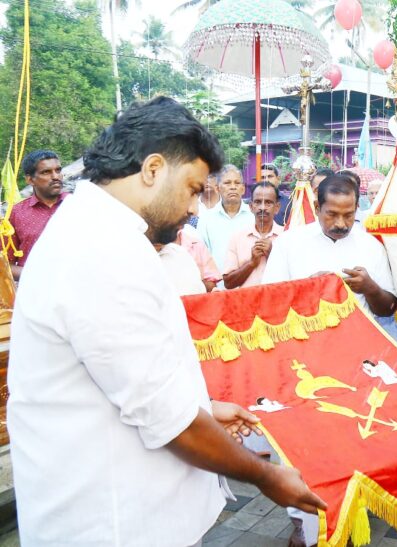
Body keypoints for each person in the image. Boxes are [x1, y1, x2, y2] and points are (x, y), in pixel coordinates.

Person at [7, 96, 325, 546]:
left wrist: (202, 407)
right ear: (153, 169)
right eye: (194, 189)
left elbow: (130, 377)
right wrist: (266, 475)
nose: (195, 209)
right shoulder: (101, 250)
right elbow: (166, 419)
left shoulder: (103, 234)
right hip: (114, 524)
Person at [263, 175, 397, 317]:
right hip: (305, 336)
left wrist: (370, 288)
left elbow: (388, 309)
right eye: (332, 214)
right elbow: (269, 299)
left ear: (356, 208)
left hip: (356, 336)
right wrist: (305, 289)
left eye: (348, 215)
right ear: (317, 207)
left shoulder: (372, 246)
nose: (341, 224)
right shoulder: (287, 243)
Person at [6, 150, 67, 280]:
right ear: (30, 179)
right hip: (35, 295)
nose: (55, 176)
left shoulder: (78, 205)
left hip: (79, 292)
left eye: (58, 170)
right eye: (46, 172)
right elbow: (6, 266)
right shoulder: (16, 214)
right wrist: (38, 276)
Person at [223, 182, 283, 289]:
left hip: (278, 303)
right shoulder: (237, 237)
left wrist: (272, 256)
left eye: (268, 202)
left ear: (277, 207)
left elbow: (295, 278)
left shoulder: (286, 237)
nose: (263, 207)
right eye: (258, 202)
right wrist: (251, 263)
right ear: (251, 206)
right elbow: (228, 283)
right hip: (246, 304)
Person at [197, 165, 255, 273]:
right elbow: (202, 257)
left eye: (237, 183)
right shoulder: (206, 220)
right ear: (218, 189)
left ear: (243, 189)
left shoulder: (254, 216)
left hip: (250, 285)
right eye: (227, 183)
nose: (233, 187)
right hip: (218, 287)